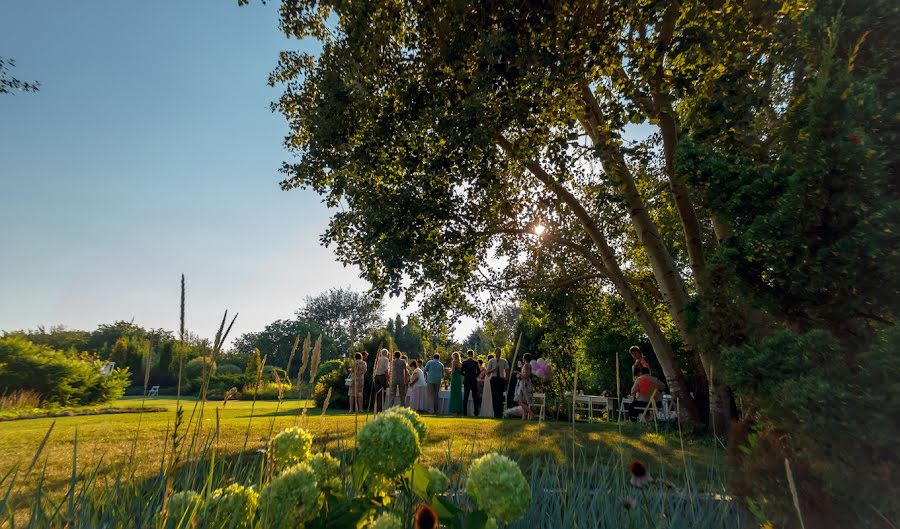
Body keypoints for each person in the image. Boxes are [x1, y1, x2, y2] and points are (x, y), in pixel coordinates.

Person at [513, 353, 535, 420]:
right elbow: (526, 375)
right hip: (526, 383)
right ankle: (525, 415)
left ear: (524, 358)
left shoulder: (526, 365)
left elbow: (525, 376)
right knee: (524, 401)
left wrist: (517, 372)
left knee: (519, 401)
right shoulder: (528, 365)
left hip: (524, 385)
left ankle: (531, 413)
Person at [460, 350, 481, 417]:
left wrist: (465, 375)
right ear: (473, 354)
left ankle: (465, 412)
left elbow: (461, 372)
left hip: (467, 380)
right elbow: (479, 371)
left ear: (467, 354)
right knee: (475, 397)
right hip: (473, 381)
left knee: (466, 397)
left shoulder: (464, 362)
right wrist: (474, 376)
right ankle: (476, 412)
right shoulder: (475, 362)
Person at [491, 348, 508, 419]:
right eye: (497, 352)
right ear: (495, 353)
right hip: (494, 379)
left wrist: (506, 378)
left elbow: (507, 370)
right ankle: (495, 413)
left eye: (500, 352)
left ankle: (500, 413)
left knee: (500, 397)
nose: (499, 354)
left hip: (501, 379)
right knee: (494, 397)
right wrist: (494, 368)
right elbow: (487, 372)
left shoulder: (504, 361)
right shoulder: (491, 361)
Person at [373, 348, 390, 413]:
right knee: (382, 393)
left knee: (377, 393)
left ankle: (376, 409)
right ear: (386, 354)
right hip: (382, 376)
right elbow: (386, 370)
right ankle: (381, 409)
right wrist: (388, 380)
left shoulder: (378, 359)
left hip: (377, 376)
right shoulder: (386, 359)